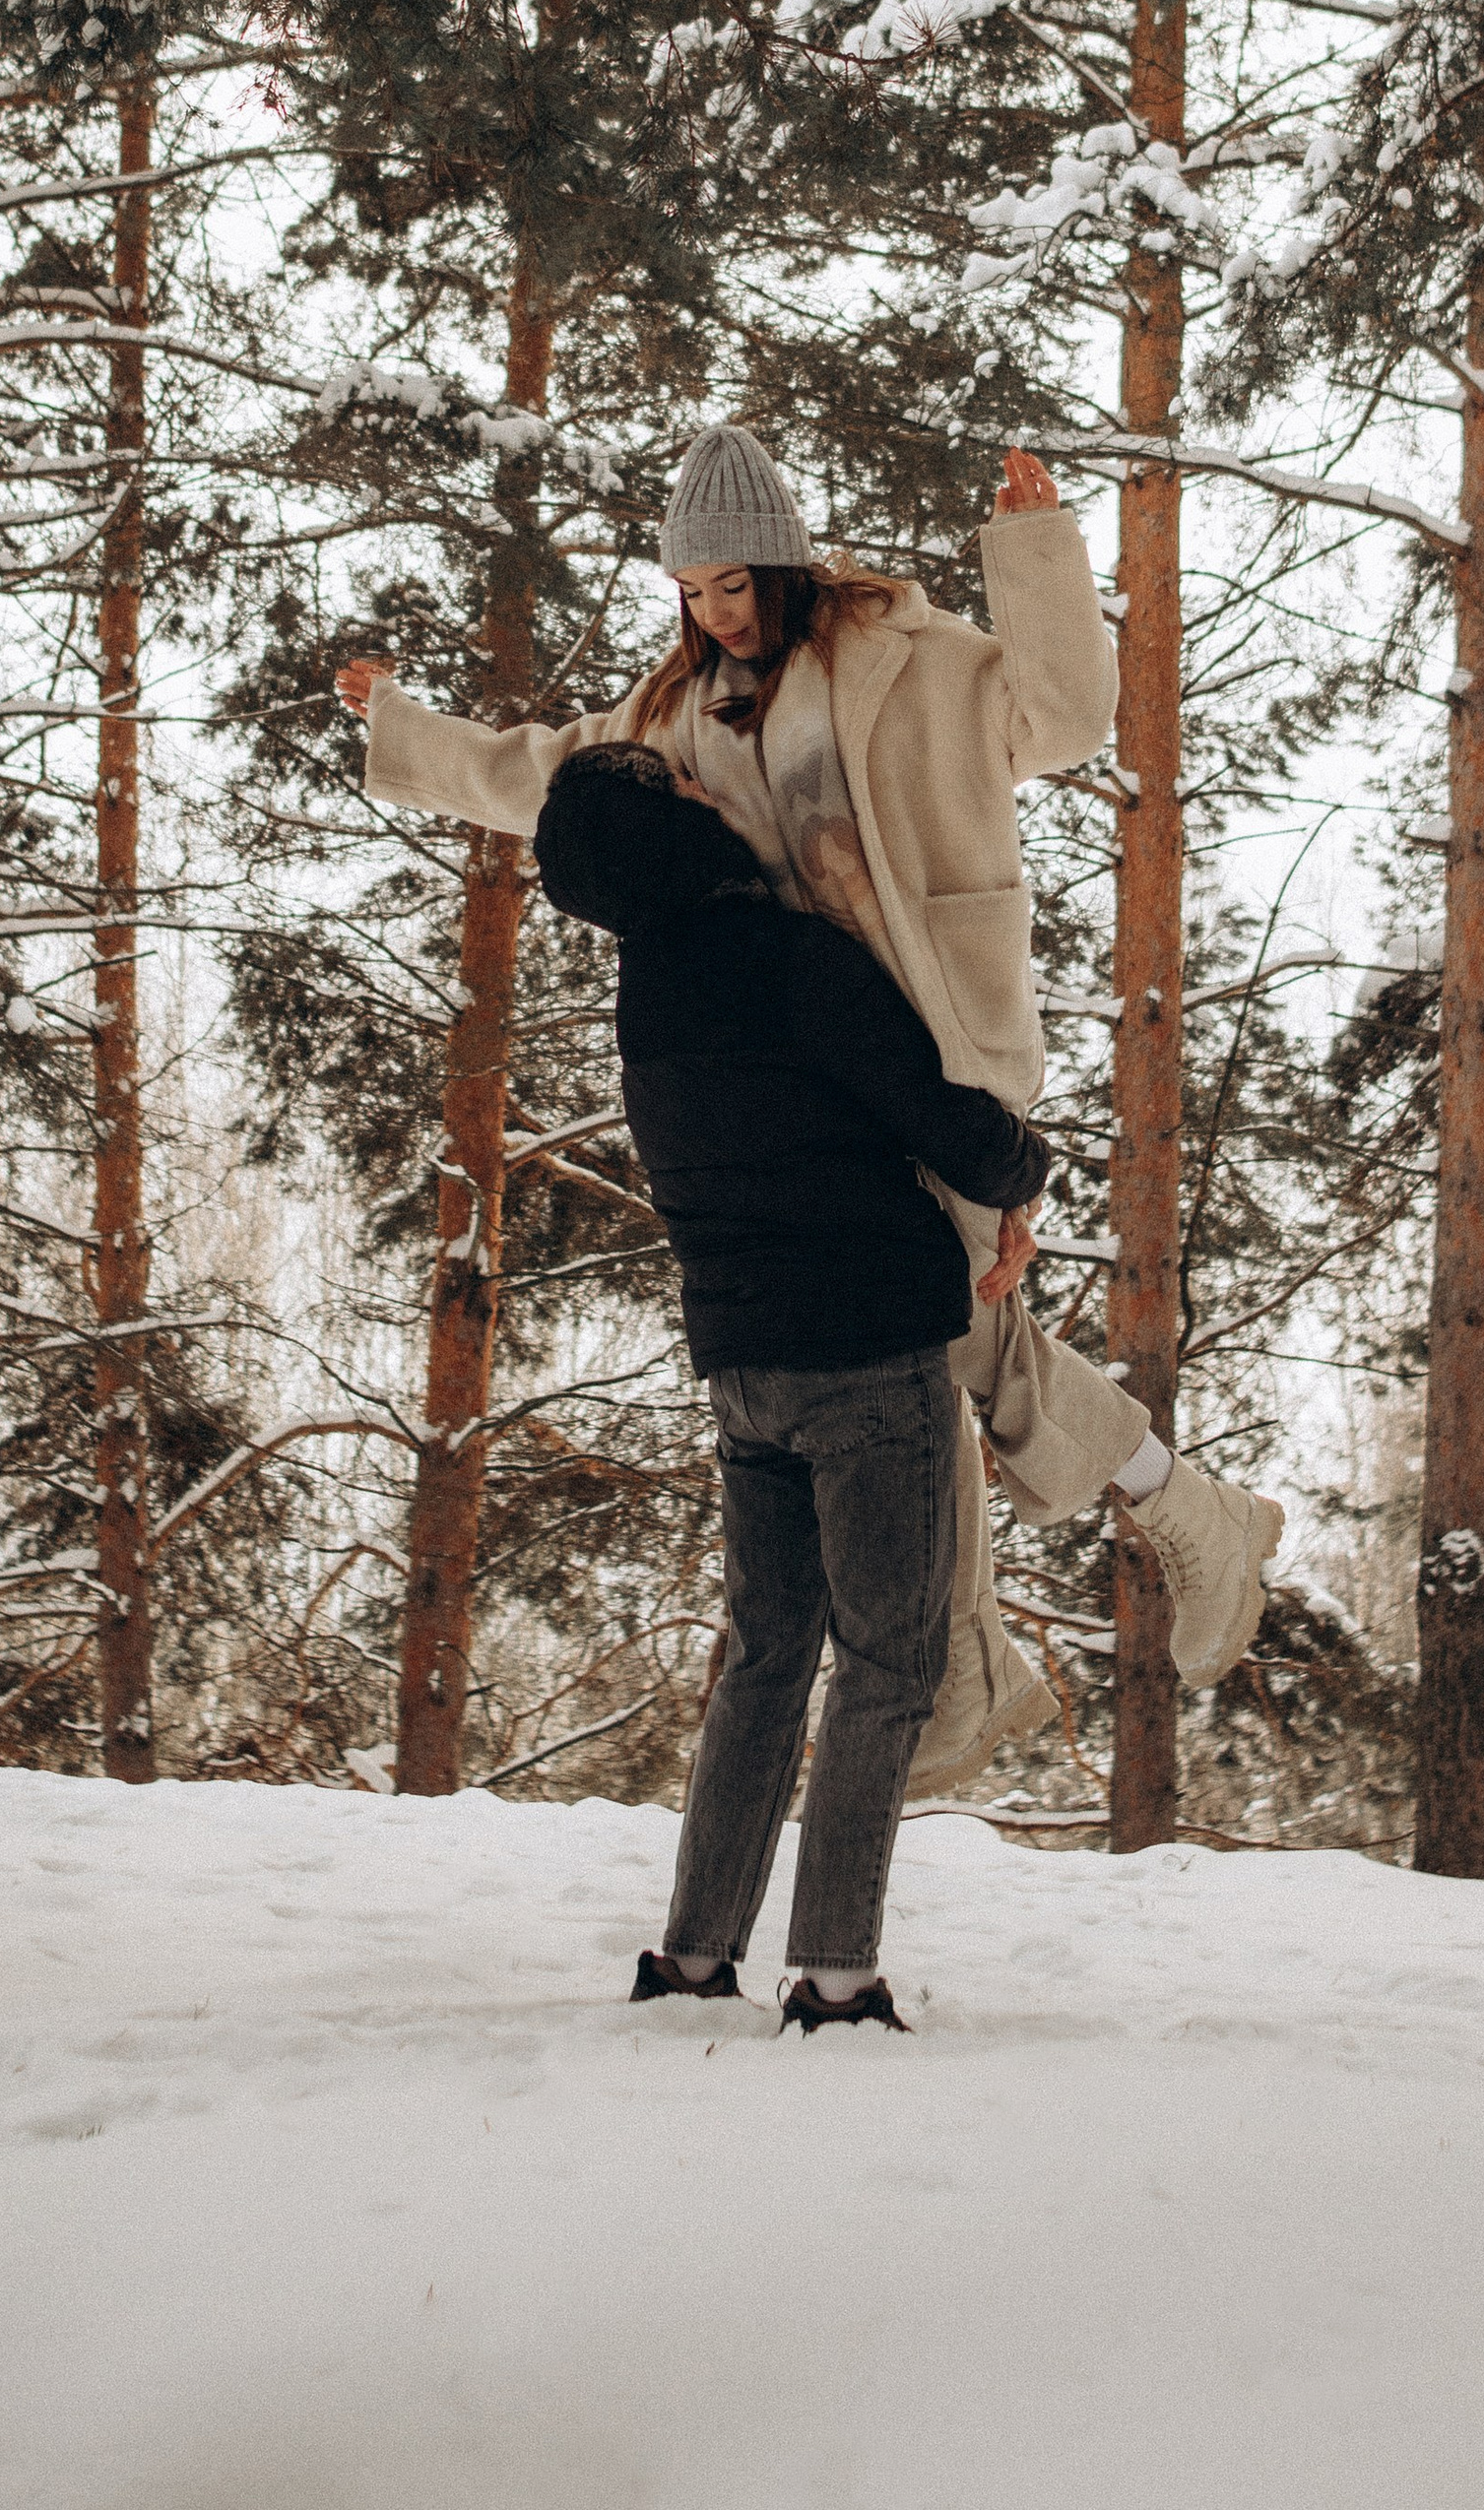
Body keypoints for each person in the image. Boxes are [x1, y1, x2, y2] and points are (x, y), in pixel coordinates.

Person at [337, 421, 1281, 1784]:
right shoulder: (674, 713)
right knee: (941, 1336)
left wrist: (1034, 551)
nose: (718, 615)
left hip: (933, 1047)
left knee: (935, 1337)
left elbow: (1069, 719)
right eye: (694, 592)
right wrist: (403, 733)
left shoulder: (906, 655)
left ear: (785, 563)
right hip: (807, 1077)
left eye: (737, 584)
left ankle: (1001, 1646)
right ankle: (1155, 1536)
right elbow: (546, 774)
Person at [528, 739, 1047, 2026]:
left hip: (742, 1370)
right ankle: (836, 1971)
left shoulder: (648, 994)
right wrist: (1024, 1172)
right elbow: (930, 1102)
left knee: (767, 1658)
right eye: (688, 787)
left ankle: (696, 1954)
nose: (713, 789)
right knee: (887, 1661)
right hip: (866, 1353)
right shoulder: (791, 957)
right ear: (671, 826)